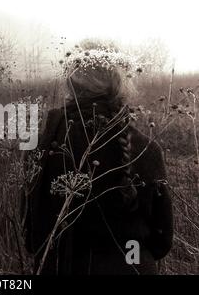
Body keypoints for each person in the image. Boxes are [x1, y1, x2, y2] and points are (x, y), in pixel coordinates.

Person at [22, 45, 173, 275]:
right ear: (119, 84)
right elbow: (162, 240)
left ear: (71, 84)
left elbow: (31, 235)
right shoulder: (146, 149)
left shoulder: (41, 147)